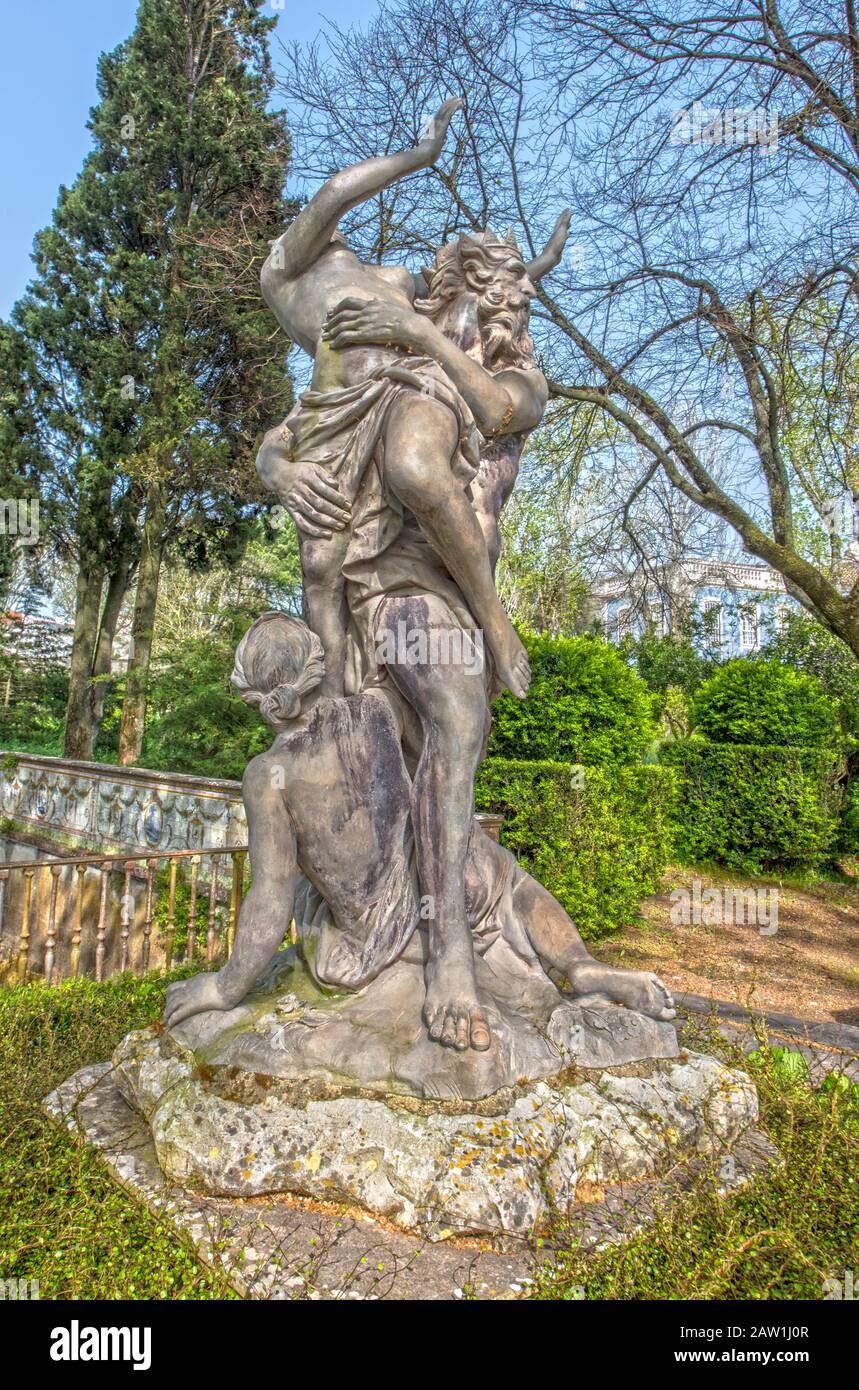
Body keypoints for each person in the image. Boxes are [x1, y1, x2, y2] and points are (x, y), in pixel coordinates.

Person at [165, 614, 676, 1046]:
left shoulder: (267, 777)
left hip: (379, 929)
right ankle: (577, 963)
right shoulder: (375, 709)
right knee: (512, 879)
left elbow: (269, 899)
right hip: (453, 879)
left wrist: (225, 988)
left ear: (263, 699)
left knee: (300, 890)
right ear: (315, 671)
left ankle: (555, 965)